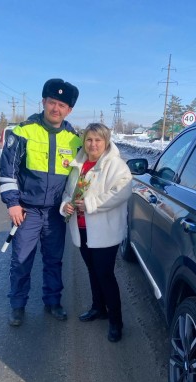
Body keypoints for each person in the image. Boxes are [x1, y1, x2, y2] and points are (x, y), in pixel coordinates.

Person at [0, 78, 82, 326]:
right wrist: (13, 203)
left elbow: (85, 175)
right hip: (27, 211)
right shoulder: (23, 132)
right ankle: (17, 305)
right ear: (44, 102)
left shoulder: (75, 140)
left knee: (54, 260)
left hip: (56, 213)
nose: (56, 108)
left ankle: (53, 302)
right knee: (22, 260)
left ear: (69, 110)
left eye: (62, 105)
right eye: (52, 102)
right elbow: (7, 172)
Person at [61, 123, 132, 342]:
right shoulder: (78, 164)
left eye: (98, 140)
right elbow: (67, 192)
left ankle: (116, 321)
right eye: (89, 139)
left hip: (104, 232)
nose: (93, 144)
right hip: (82, 230)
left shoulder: (117, 166)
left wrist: (90, 204)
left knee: (105, 275)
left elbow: (120, 193)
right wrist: (66, 205)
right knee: (92, 271)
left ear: (106, 142)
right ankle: (98, 308)